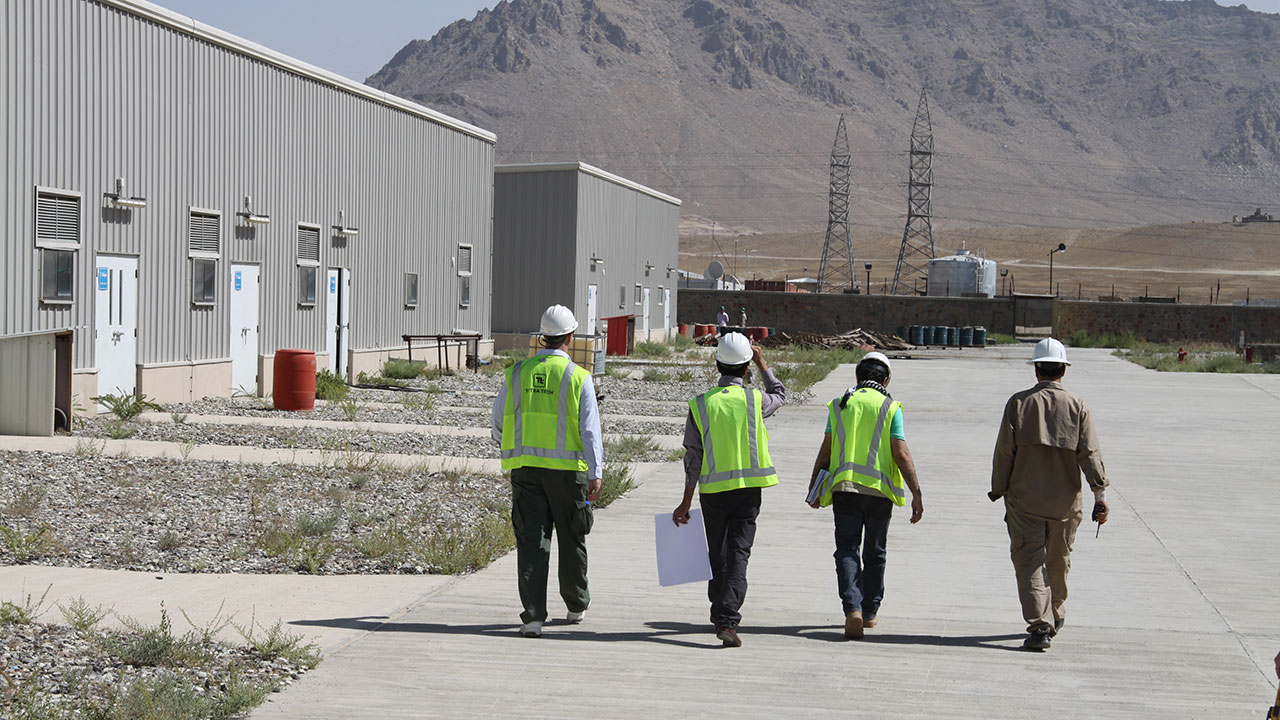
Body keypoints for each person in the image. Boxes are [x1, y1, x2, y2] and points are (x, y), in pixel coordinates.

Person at [990, 337, 1109, 652]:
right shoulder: (1077, 406)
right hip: (1065, 505)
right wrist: (1100, 494)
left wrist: (998, 488)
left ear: (1036, 369)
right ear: (1063, 371)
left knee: (1029, 562)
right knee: (1058, 560)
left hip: (1024, 501)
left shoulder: (1018, 404)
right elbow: (1091, 454)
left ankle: (1040, 627)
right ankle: (1055, 613)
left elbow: (1004, 453)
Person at [492, 304, 603, 638]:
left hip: (526, 471)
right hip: (568, 474)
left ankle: (533, 617)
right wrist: (596, 471)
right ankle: (575, 604)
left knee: (531, 541)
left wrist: (511, 444)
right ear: (570, 337)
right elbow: (589, 430)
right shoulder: (578, 377)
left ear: (543, 338)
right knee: (572, 538)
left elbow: (498, 419)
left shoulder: (516, 373)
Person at [672, 332, 785, 647]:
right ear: (746, 367)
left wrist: (685, 502)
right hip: (748, 490)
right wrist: (764, 365)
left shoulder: (700, 405)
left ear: (717, 364)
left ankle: (720, 613)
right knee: (738, 553)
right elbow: (780, 393)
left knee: (717, 553)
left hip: (713, 492)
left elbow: (693, 458)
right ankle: (727, 619)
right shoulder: (755, 400)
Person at [806, 351, 923, 640]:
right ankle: (870, 613)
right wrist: (916, 492)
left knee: (847, 550)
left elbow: (826, 451)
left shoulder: (839, 405)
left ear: (857, 377)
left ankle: (852, 610)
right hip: (880, 493)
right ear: (886, 379)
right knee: (875, 552)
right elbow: (900, 453)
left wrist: (814, 489)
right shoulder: (890, 407)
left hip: (845, 489)